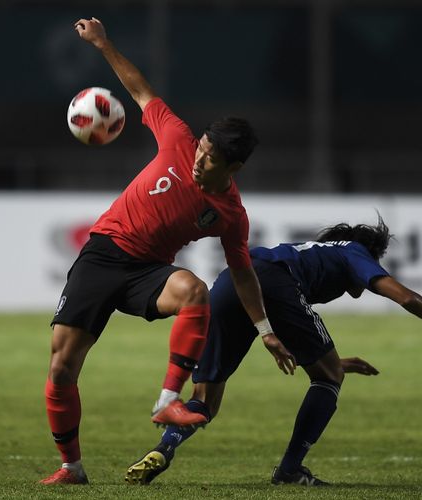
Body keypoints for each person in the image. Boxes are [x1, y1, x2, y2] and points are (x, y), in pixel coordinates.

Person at [40, 17, 297, 485]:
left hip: (148, 273)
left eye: (210, 160)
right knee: (61, 369)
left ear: (234, 167)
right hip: (103, 255)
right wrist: (102, 43)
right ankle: (71, 467)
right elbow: (139, 90)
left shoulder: (231, 214)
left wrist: (264, 329)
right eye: (199, 150)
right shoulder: (177, 136)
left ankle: (167, 400)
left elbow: (242, 273)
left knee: (194, 290)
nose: (198, 161)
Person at [124, 216, 422, 486]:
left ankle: (163, 449)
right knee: (329, 377)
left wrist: (333, 360)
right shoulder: (355, 252)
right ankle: (290, 469)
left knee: (205, 398)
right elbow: (405, 295)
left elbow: (274, 317)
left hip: (232, 280)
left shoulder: (311, 251)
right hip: (273, 282)